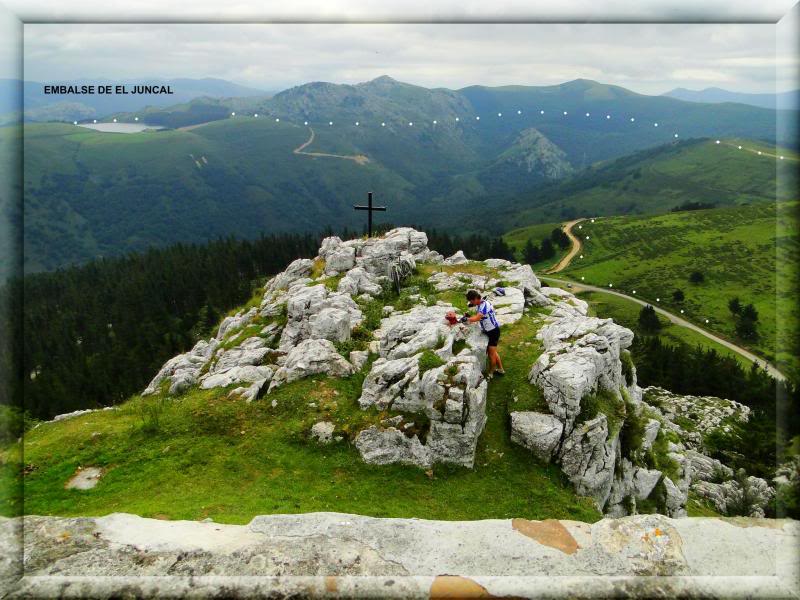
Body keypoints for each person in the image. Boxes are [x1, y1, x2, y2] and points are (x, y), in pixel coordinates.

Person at [460, 289, 505, 378]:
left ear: (476, 298)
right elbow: (481, 317)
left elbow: (477, 317)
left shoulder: (484, 305)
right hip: (490, 330)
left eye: (472, 301)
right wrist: (469, 316)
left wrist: (467, 319)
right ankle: (500, 369)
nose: (471, 302)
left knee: (491, 354)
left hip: (493, 332)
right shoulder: (480, 303)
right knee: (493, 352)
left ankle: (490, 373)